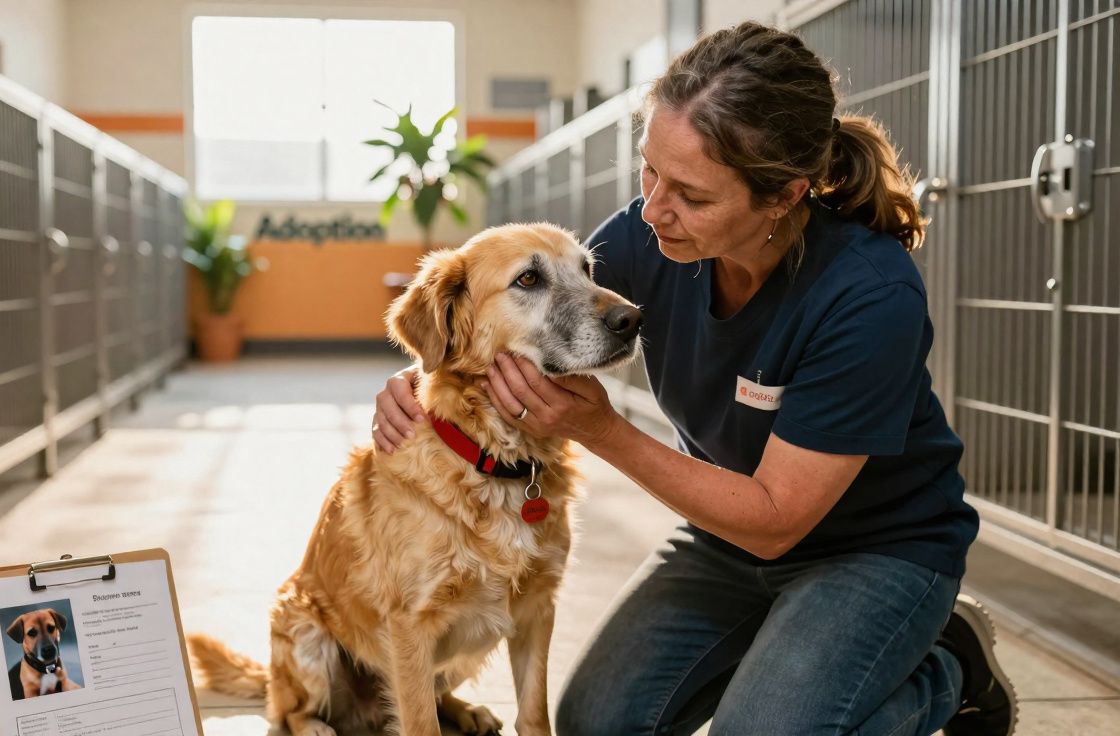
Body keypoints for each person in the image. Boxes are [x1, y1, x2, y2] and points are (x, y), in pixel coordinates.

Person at [373, 20, 1017, 736]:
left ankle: (950, 671)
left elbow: (777, 522)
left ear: (782, 197)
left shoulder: (866, 294)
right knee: (595, 725)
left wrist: (600, 430)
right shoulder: (653, 233)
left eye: (691, 193)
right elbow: (509, 311)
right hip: (725, 538)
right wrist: (420, 375)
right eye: (649, 170)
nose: (652, 208)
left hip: (874, 551)